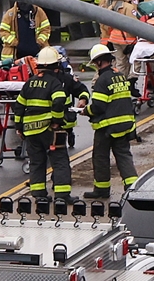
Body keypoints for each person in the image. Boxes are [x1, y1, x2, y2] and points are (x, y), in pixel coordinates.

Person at [16, 45, 77, 202]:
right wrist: (57, 121)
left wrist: (19, 128)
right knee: (60, 161)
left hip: (30, 131)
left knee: (36, 162)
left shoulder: (29, 83)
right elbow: (59, 101)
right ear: (56, 66)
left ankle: (39, 196)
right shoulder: (55, 83)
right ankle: (62, 196)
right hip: (48, 130)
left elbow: (19, 106)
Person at [86, 44, 137, 194]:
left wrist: (85, 111)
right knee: (124, 156)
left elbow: (98, 106)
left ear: (99, 62)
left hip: (107, 127)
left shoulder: (102, 80)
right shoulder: (119, 75)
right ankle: (132, 188)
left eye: (95, 63)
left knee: (100, 157)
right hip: (125, 125)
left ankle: (101, 190)